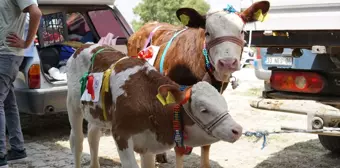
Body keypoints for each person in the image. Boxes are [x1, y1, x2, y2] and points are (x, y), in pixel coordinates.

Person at [0, 0, 42, 168]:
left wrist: (26, 42)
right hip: (3, 53)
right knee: (8, 103)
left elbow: (36, 13)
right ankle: (17, 149)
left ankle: (1, 156)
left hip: (7, 54)